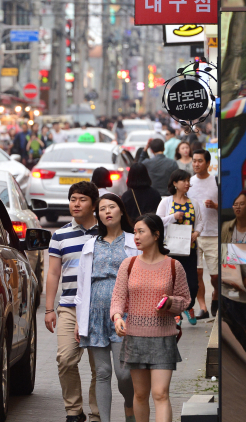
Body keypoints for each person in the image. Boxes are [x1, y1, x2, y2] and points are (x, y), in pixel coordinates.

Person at [111, 214, 190, 422]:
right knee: (140, 394)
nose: (136, 236)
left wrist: (170, 302)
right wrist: (118, 317)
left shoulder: (174, 265)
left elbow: (185, 300)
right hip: (134, 337)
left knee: (160, 393)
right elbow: (118, 297)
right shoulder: (128, 264)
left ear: (156, 235)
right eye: (134, 232)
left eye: (141, 231)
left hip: (163, 337)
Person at [75, 193, 138, 422]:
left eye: (112, 207)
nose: (107, 212)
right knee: (101, 373)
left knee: (123, 374)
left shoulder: (133, 241)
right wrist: (80, 321)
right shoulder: (91, 244)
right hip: (95, 315)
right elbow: (82, 285)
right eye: (102, 209)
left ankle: (130, 405)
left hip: (124, 314)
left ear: (121, 210)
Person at [46, 181, 101, 422]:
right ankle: (74, 411)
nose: (76, 204)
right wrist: (49, 309)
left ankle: (98, 412)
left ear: (94, 204)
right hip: (69, 307)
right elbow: (53, 274)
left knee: (101, 368)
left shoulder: (106, 233)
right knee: (66, 359)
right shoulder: (59, 235)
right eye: (72, 199)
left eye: (82, 199)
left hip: (99, 307)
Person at [156, 169, 204, 325]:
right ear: (175, 183)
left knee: (193, 284)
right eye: (184, 180)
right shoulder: (166, 202)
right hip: (171, 250)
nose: (187, 184)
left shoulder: (193, 203)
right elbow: (157, 221)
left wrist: (196, 233)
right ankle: (175, 312)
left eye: (188, 181)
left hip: (189, 249)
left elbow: (200, 221)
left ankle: (187, 306)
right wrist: (173, 217)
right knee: (171, 283)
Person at [188, 149, 219, 320]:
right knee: (197, 273)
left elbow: (230, 205)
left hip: (213, 233)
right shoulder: (189, 182)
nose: (196, 164)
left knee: (215, 275)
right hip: (194, 235)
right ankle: (203, 307)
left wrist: (215, 205)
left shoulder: (216, 181)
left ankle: (215, 293)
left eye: (200, 161)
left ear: (207, 163)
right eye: (194, 161)